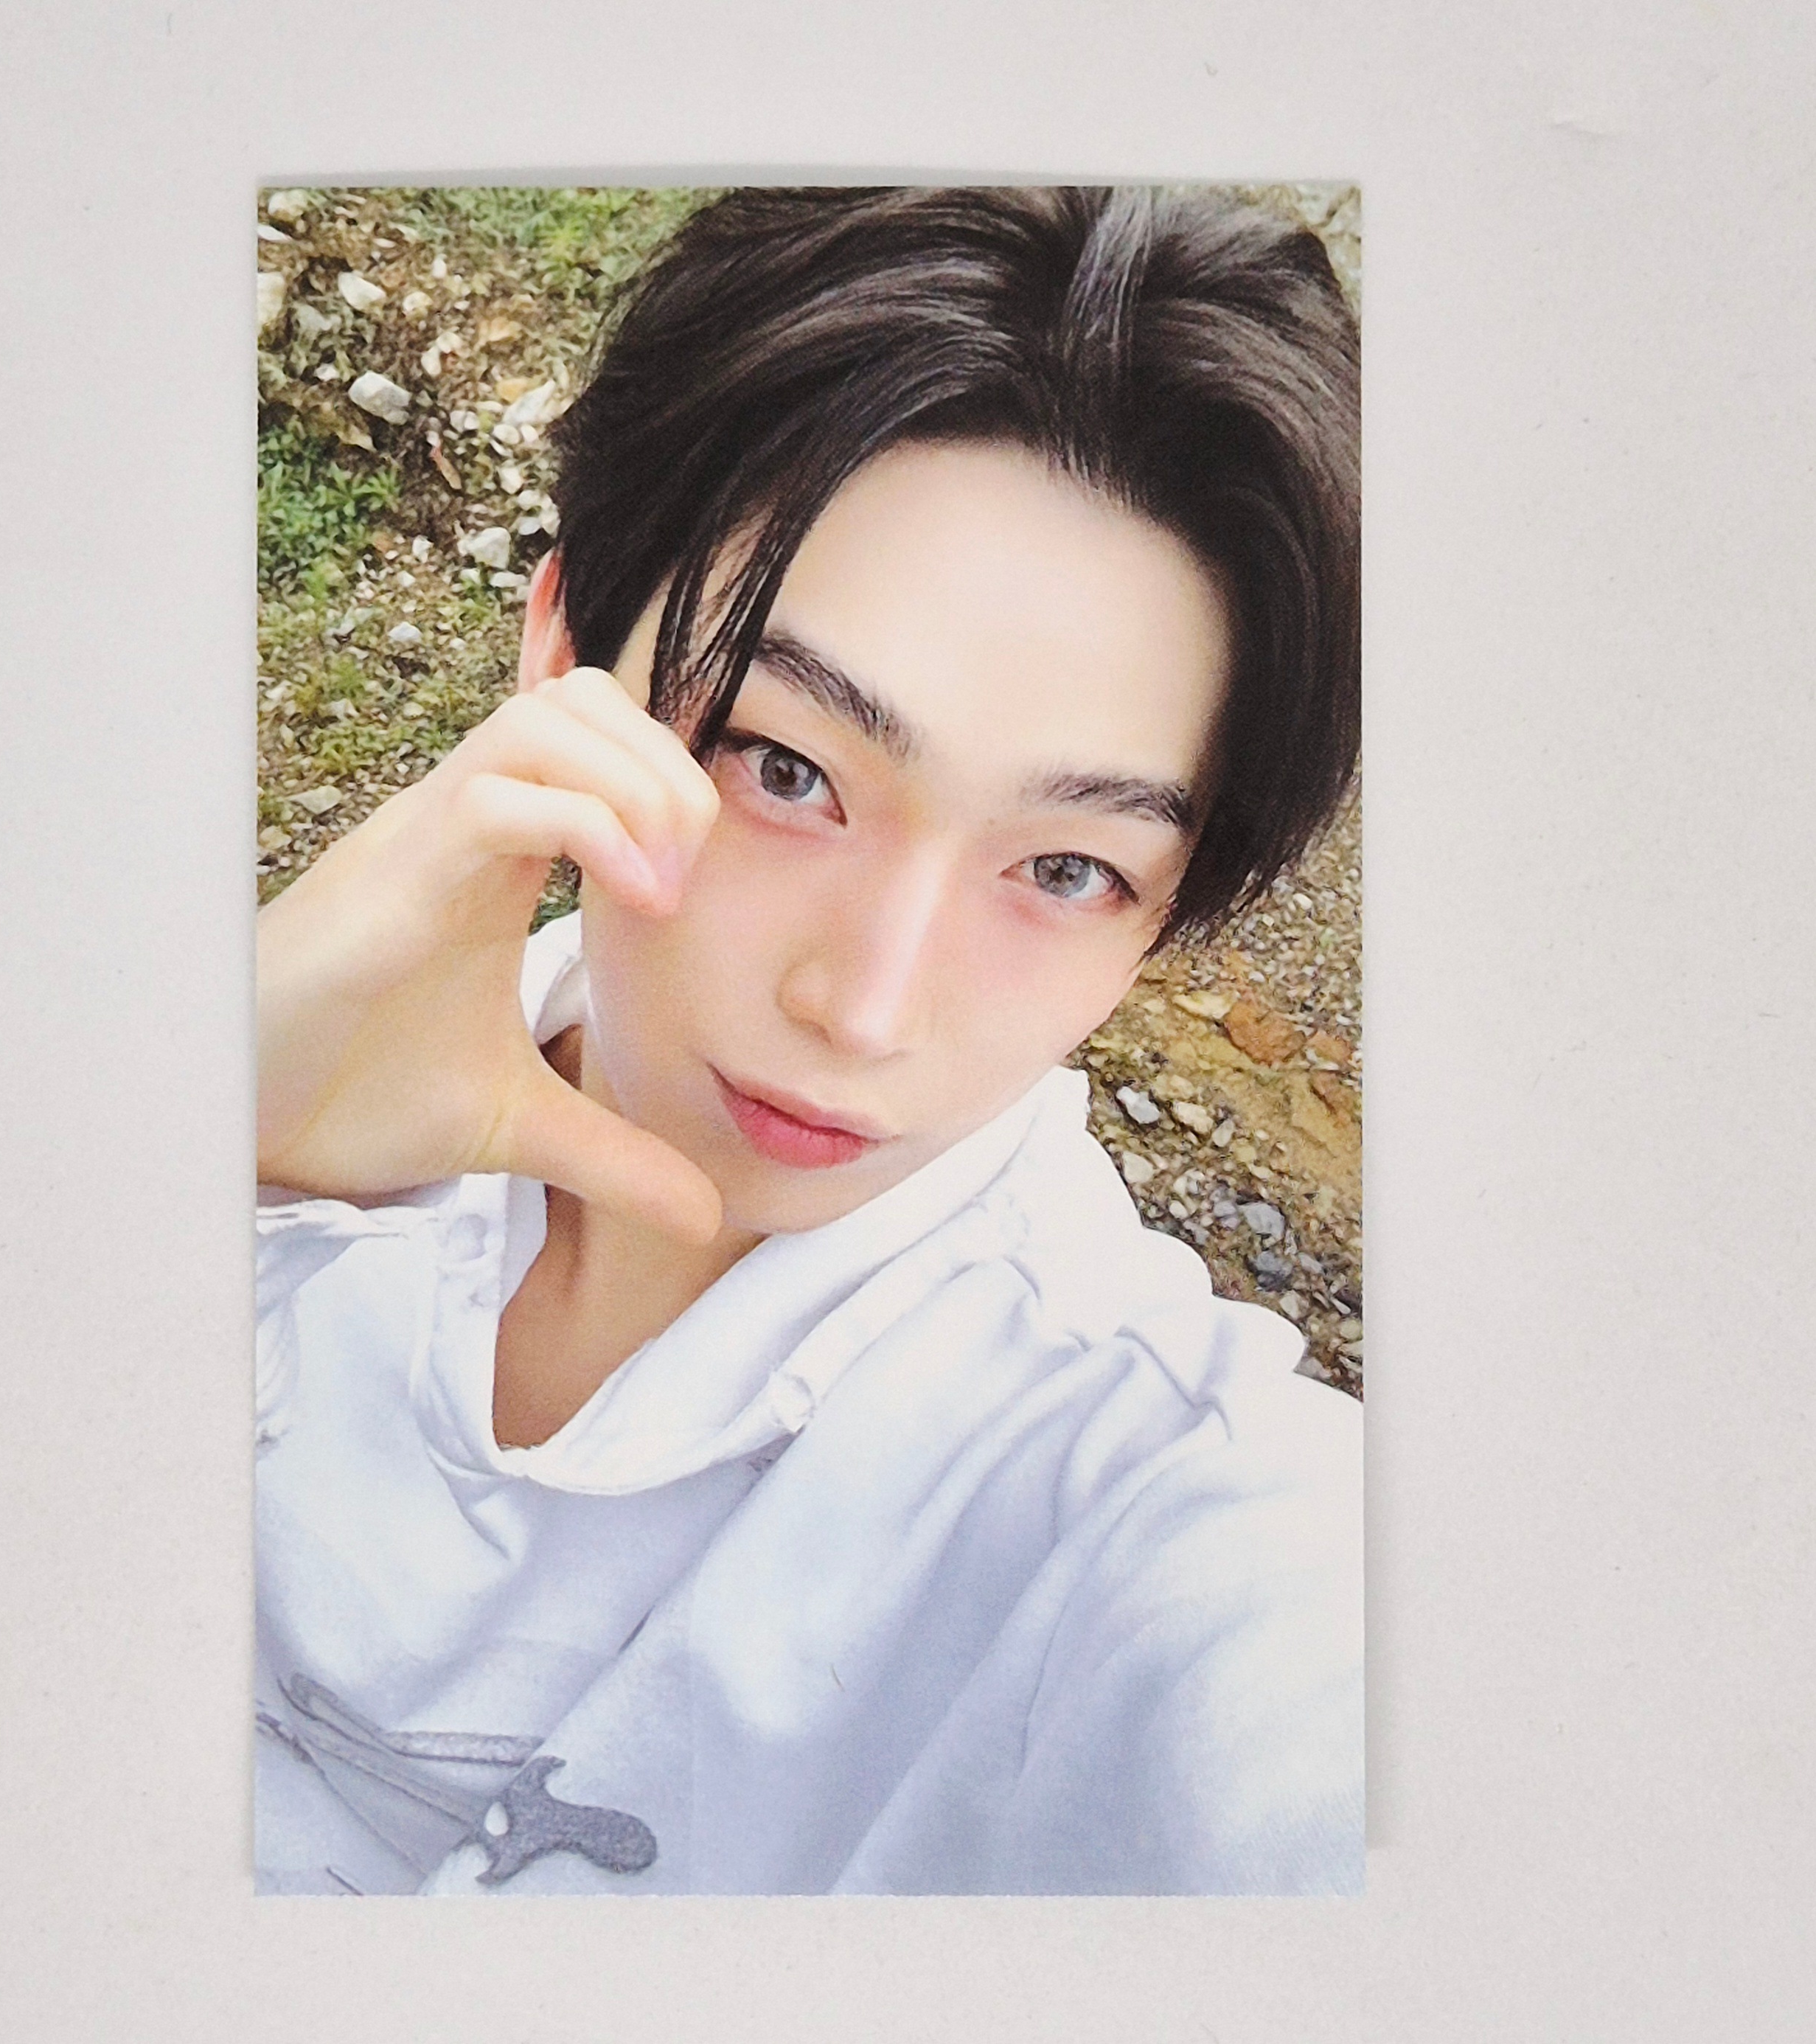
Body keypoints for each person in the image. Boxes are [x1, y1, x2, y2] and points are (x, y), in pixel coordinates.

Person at [252, 185, 1363, 1896]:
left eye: (1068, 870)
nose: (869, 1007)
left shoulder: (1136, 1496)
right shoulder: (273, 1100)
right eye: (788, 769)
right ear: (565, 650)